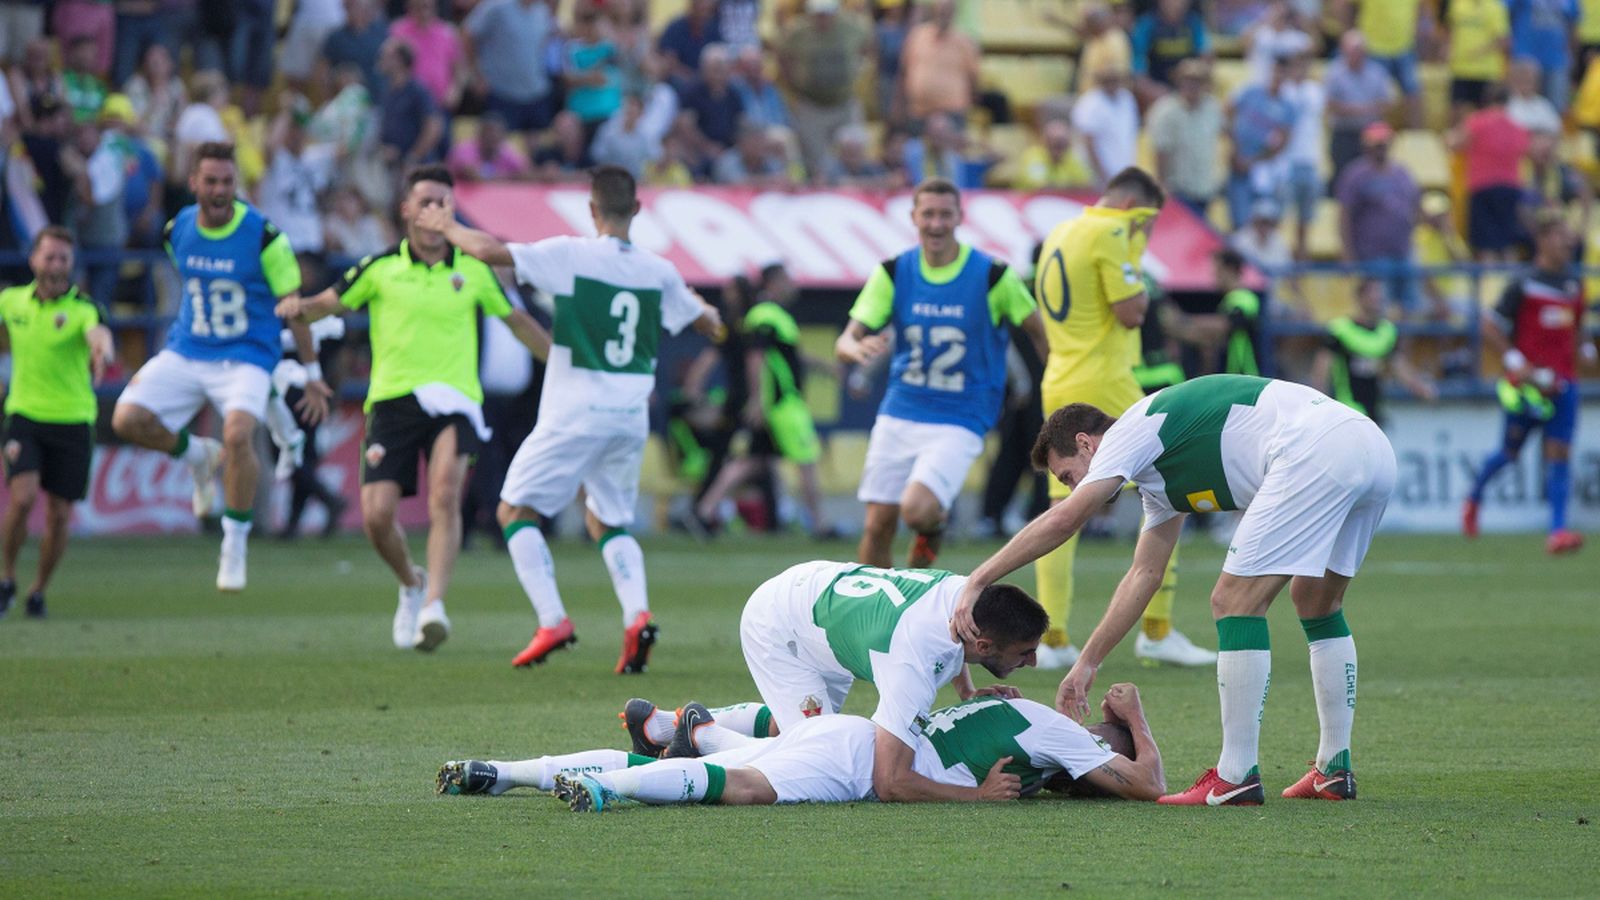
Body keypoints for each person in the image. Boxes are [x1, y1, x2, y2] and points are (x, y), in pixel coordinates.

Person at [955, 373, 1398, 805]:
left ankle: (1235, 776)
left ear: (1087, 443)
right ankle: (1333, 769)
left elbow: (1067, 519)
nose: (1073, 488)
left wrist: (979, 579)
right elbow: (1143, 576)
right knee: (1316, 601)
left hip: (1315, 450)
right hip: (1370, 446)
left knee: (1233, 602)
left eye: (1068, 475)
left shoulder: (1133, 428)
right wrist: (1087, 664)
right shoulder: (1157, 480)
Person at [415, 165, 723, 672]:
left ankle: (552, 618)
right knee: (608, 518)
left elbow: (492, 252)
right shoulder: (659, 271)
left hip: (576, 411)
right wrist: (707, 314)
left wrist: (448, 226)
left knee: (513, 512)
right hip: (629, 416)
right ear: (638, 210)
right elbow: (708, 324)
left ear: (592, 210)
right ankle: (636, 614)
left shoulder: (572, 255)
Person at [279, 165, 550, 651]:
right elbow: (325, 304)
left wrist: (565, 362)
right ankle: (411, 580)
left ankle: (434, 607)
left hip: (456, 401)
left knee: (444, 492)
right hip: (393, 400)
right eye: (425, 201)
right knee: (377, 517)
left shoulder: (472, 270)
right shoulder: (380, 268)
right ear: (406, 210)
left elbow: (519, 323)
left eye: (443, 202)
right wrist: (295, 309)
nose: (433, 210)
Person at [617, 561, 1046, 805]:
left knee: (811, 729)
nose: (1034, 660)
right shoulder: (912, 663)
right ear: (985, 644)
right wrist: (976, 797)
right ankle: (703, 735)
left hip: (820, 598)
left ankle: (666, 726)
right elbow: (890, 781)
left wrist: (967, 692)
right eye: (1025, 651)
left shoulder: (964, 598)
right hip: (781, 625)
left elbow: (951, 645)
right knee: (809, 752)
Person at [112, 142, 331, 593]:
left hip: (248, 353)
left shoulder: (264, 235)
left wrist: (312, 374)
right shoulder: (178, 230)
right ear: (193, 183)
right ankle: (196, 454)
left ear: (237, 184)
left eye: (227, 181)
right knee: (126, 418)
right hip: (190, 348)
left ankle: (235, 543)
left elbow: (295, 309)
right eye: (210, 181)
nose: (219, 190)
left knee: (236, 435)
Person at [1028, 166, 1212, 670]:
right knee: (1166, 486)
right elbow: (1132, 312)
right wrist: (1134, 256)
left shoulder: (1062, 231)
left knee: (1060, 507)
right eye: (1150, 222)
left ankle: (1054, 637)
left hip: (1061, 375)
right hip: (1105, 379)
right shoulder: (1112, 232)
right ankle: (1157, 630)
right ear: (1137, 210)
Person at [438, 686, 1165, 809]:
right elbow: (1147, 784)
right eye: (1111, 745)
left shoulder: (1030, 724)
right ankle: (610, 788)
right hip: (857, 759)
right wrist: (1136, 717)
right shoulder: (1059, 734)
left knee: (722, 768)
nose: (1110, 757)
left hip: (845, 737)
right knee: (746, 788)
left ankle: (502, 773)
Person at [834, 178, 1047, 570]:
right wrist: (854, 348)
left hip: (962, 413)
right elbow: (848, 338)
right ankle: (878, 610)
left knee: (916, 511)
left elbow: (1038, 331)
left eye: (944, 214)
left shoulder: (992, 276)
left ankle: (930, 535)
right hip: (901, 406)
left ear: (959, 218)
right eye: (927, 214)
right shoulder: (895, 271)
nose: (935, 223)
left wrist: (1052, 384)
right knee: (878, 524)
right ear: (914, 217)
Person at [0, 228, 114, 619]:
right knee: (23, 497)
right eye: (49, 257)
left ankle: (37, 591)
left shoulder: (83, 307)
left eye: (63, 258)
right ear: (33, 260)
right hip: (25, 414)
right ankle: (7, 578)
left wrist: (102, 351)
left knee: (60, 514)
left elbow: (98, 334)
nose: (56, 265)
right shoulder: (11, 301)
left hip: (73, 418)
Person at [1463, 212, 1590, 556]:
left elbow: (1576, 332)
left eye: (1569, 238)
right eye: (1561, 236)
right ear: (1544, 240)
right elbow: (1489, 326)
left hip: (1563, 384)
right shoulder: (1524, 284)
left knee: (1559, 453)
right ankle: (1473, 498)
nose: (1568, 243)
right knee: (1509, 452)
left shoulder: (1574, 285)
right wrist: (1517, 363)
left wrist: (1582, 355)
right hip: (1527, 386)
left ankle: (1557, 531)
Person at [1310, 278, 1438, 426]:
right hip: (1347, 410)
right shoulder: (1341, 330)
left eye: (1380, 294)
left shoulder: (1386, 332)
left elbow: (1399, 366)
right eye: (1373, 294)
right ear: (1361, 297)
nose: (1377, 298)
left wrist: (1421, 388)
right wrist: (1320, 407)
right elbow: (1321, 370)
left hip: (1374, 410)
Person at [1146, 58, 1223, 219]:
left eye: (1197, 81)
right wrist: (1162, 185)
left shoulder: (1212, 107)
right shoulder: (1166, 111)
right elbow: (1161, 151)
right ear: (1179, 82)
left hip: (1204, 188)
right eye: (1187, 80)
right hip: (1179, 191)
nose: (1192, 85)